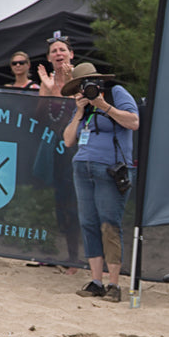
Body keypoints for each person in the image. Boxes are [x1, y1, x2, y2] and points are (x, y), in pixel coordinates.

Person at [62, 62, 139, 302]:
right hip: (82, 167)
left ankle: (114, 285)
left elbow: (133, 122)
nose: (85, 90)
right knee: (88, 223)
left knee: (109, 224)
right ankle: (96, 281)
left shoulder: (115, 93)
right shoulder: (82, 106)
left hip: (110, 168)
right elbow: (67, 141)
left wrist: (103, 106)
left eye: (87, 85)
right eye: (81, 87)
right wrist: (78, 112)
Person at [33, 35, 81, 271]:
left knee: (74, 203)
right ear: (49, 57)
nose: (58, 53)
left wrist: (65, 86)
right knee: (58, 203)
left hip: (76, 147)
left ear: (71, 54)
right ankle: (57, 254)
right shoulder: (47, 81)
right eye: (54, 51)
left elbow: (77, 110)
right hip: (53, 149)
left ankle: (76, 258)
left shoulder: (80, 77)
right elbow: (41, 117)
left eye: (62, 49)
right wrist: (50, 90)